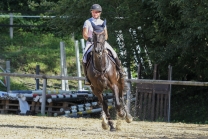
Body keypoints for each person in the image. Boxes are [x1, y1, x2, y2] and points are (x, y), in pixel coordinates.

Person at [82, 4, 125, 84]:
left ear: (100, 13)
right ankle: (87, 77)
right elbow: (84, 34)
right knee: (84, 58)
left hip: (101, 43)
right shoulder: (87, 22)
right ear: (91, 12)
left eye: (97, 12)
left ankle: (120, 71)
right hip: (91, 43)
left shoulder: (102, 22)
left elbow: (106, 35)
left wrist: (102, 41)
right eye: (94, 12)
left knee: (114, 53)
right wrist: (89, 38)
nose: (95, 13)